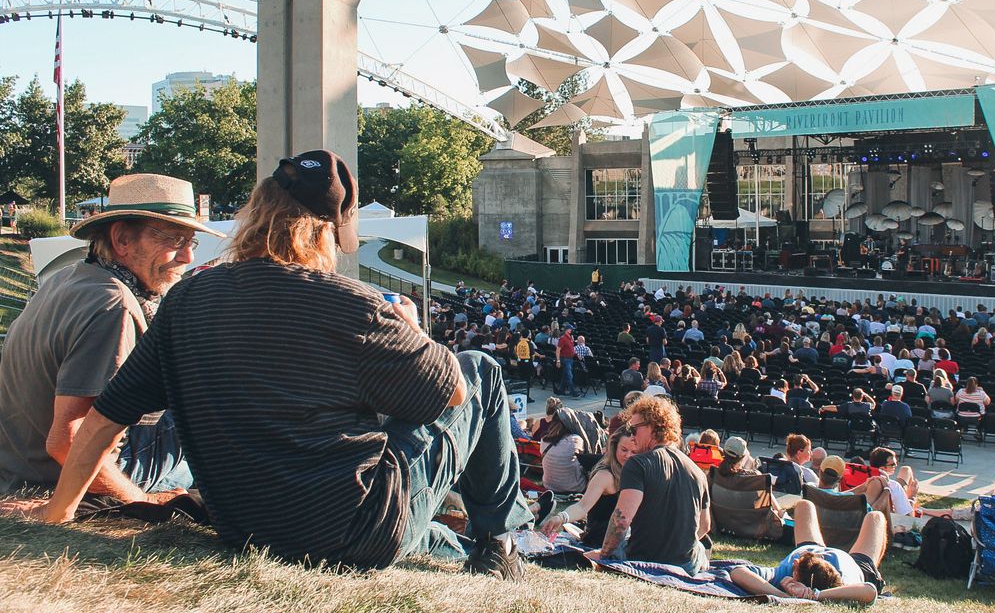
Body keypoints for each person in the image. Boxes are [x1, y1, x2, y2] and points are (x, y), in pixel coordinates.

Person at [1, 151, 531, 578]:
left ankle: (462, 542)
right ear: (325, 233)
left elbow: (98, 422)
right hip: (351, 536)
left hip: (244, 529)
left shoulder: (184, 303)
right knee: (479, 369)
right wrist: (414, 336)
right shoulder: (355, 304)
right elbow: (455, 397)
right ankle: (501, 542)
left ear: (256, 213)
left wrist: (59, 514)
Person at [0, 173, 220, 500]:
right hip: (57, 477)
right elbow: (68, 441)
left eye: (191, 242)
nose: (188, 257)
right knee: (210, 409)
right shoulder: (114, 306)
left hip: (19, 467)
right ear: (122, 240)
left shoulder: (69, 277)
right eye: (175, 240)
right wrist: (142, 501)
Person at [586, 396, 710, 574]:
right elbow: (705, 526)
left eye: (634, 428)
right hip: (685, 564)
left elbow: (621, 520)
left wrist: (604, 555)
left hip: (643, 558)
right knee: (700, 550)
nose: (632, 435)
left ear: (652, 425)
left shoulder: (638, 464)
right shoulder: (698, 472)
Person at [728, 499, 886, 604]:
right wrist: (797, 596)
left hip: (833, 558)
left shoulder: (786, 573)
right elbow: (869, 590)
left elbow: (738, 571)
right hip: (831, 557)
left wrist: (792, 596)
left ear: (795, 570)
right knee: (875, 516)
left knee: (876, 516)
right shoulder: (845, 584)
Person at [541, 429, 640, 548]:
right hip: (603, 539)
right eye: (623, 450)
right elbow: (582, 506)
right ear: (614, 448)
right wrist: (561, 517)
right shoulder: (605, 475)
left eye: (634, 452)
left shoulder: (636, 472)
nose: (628, 455)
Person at [539, 417, 587, 495]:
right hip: (574, 488)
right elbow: (584, 456)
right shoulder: (575, 440)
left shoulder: (544, 439)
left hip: (549, 486)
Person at [867, 447, 918, 516]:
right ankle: (909, 503)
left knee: (905, 469)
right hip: (888, 517)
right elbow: (908, 517)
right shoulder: (894, 486)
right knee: (906, 470)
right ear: (882, 468)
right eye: (892, 464)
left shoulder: (864, 480)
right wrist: (912, 497)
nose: (896, 466)